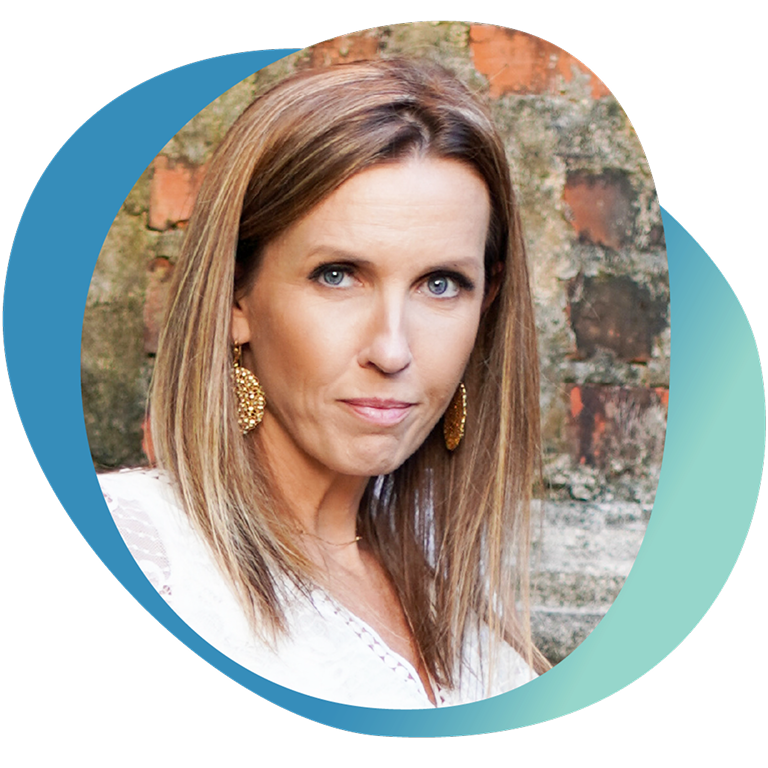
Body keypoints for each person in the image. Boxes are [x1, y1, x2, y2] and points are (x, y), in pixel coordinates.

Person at [98, 56, 551, 708]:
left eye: (441, 284)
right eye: (338, 274)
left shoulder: (479, 634)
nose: (392, 350)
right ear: (236, 296)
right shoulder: (143, 552)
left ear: (487, 302)